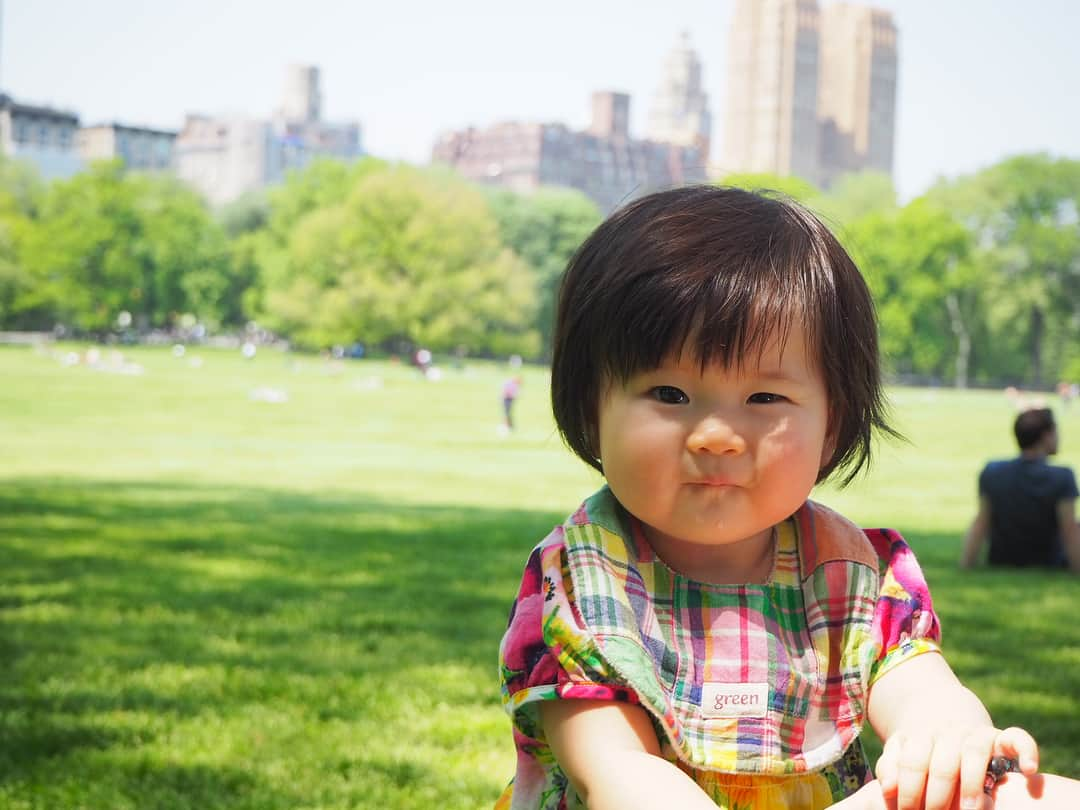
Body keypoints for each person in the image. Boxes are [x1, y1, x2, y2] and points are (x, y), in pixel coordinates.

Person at [495, 186, 1080, 810]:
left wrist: (951, 736)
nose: (717, 436)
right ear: (592, 408)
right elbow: (617, 771)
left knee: (1018, 796)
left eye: (765, 399)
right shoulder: (582, 578)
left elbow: (922, 688)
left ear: (832, 423)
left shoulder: (852, 571)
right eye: (669, 394)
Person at [961, 407, 1080, 572]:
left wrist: (966, 565)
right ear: (1045, 436)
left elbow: (981, 522)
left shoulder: (992, 471)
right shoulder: (1062, 476)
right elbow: (1070, 529)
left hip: (1001, 559)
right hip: (1049, 561)